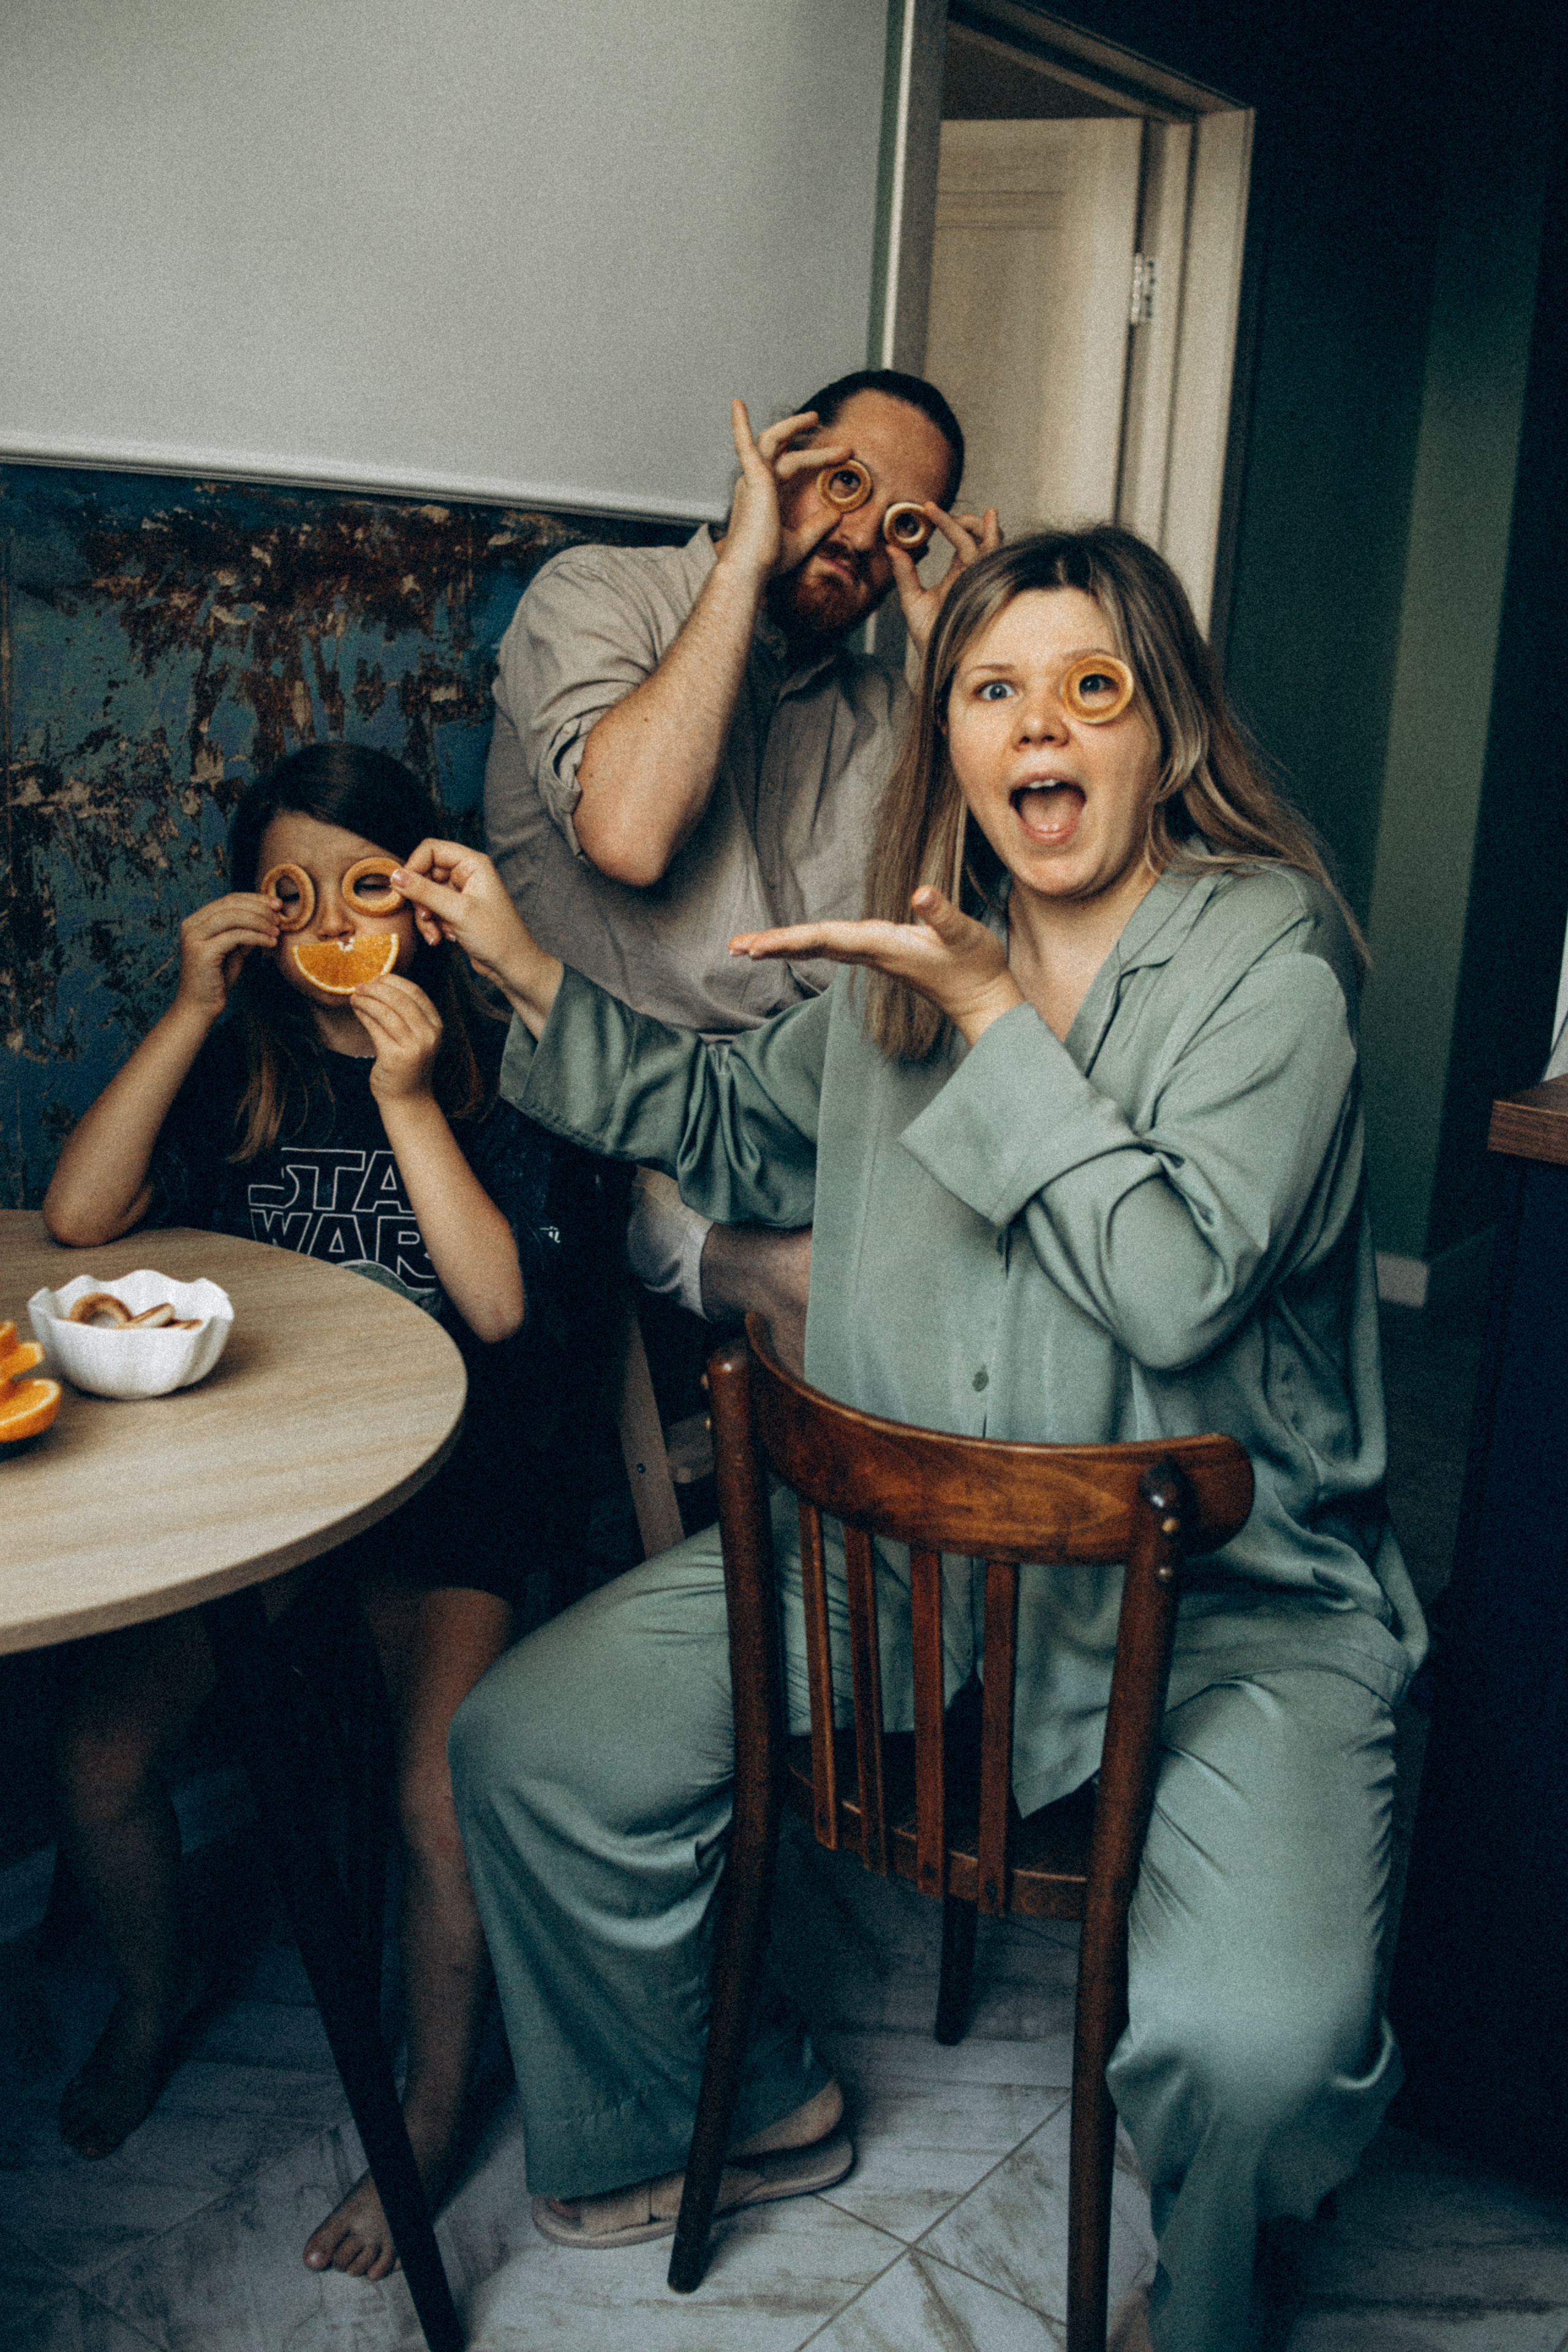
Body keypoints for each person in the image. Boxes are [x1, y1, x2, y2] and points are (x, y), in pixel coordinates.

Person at [386, 527, 1426, 2352]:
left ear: (1161, 728)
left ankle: (1216, 2308)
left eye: (1088, 688)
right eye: (990, 688)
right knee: (533, 1744)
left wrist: (985, 1018)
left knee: (1256, 2049)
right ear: (945, 737)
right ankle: (725, 2110)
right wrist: (524, 966)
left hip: (1229, 1613)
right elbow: (719, 1117)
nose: (1040, 727)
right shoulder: (904, 969)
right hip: (900, 1578)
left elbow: (1176, 1283)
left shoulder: (1269, 968)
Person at [40, 745, 600, 2283]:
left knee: (439, 1801)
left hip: (450, 1498)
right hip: (267, 1497)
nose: (328, 922)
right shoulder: (242, 1050)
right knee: (95, 1752)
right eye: (292, 892)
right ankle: (155, 2007)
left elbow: (493, 1311)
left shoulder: (492, 1064)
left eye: (367, 884)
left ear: (422, 901)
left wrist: (409, 1097)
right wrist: (188, 1010)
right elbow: (83, 1221)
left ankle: (424, 2109)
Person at [484, 368, 998, 1362]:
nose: (859, 536)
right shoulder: (595, 594)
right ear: (775, 462)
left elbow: (958, 931)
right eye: (843, 483)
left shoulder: (891, 708)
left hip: (809, 1112)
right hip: (617, 1120)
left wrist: (964, 669)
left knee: (1008, 1243)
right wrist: (743, 561)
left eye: (903, 523)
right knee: (835, 1286)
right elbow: (629, 838)